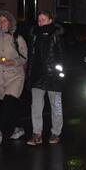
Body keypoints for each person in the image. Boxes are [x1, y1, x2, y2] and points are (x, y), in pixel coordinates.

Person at [0, 10, 28, 145]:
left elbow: (24, 57)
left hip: (15, 76)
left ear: (10, 22)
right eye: (0, 21)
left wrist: (13, 62)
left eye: (5, 20)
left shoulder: (18, 38)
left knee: (8, 102)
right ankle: (18, 128)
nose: (2, 23)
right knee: (10, 106)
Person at [26, 10, 65, 145]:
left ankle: (56, 133)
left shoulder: (56, 35)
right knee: (35, 106)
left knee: (56, 106)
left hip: (53, 76)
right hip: (38, 76)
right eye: (39, 19)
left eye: (43, 19)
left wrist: (60, 73)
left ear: (50, 20)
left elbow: (62, 56)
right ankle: (37, 133)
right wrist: (30, 74)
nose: (40, 21)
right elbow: (31, 56)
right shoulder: (35, 34)